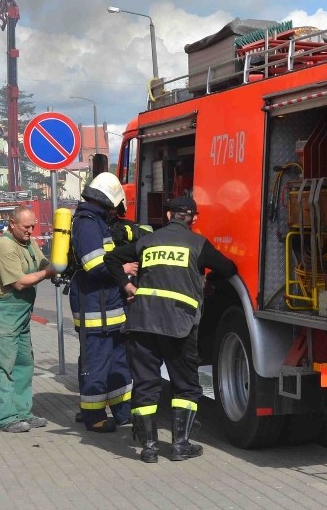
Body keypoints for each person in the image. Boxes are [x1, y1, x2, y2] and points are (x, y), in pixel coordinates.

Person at [105, 196, 237, 463]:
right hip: (179, 326)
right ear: (194, 219)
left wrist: (127, 285)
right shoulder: (198, 243)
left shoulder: (147, 241)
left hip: (141, 323)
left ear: (167, 216)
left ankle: (149, 448)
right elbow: (229, 267)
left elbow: (111, 258)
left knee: (145, 385)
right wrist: (207, 277)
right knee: (186, 387)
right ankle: (180, 445)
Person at [0, 206, 55, 433]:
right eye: (26, 227)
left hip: (20, 312)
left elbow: (42, 264)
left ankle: (22, 412)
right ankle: (4, 418)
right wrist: (48, 273)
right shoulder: (4, 245)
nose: (31, 231)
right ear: (12, 223)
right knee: (1, 365)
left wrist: (59, 264)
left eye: (34, 226)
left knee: (23, 362)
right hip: (0, 310)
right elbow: (20, 282)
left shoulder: (29, 243)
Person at [69, 172, 136, 433]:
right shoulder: (87, 223)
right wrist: (123, 267)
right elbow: (94, 264)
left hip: (111, 309)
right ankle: (94, 417)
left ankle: (122, 413)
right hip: (95, 310)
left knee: (118, 365)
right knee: (96, 365)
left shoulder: (97, 222)